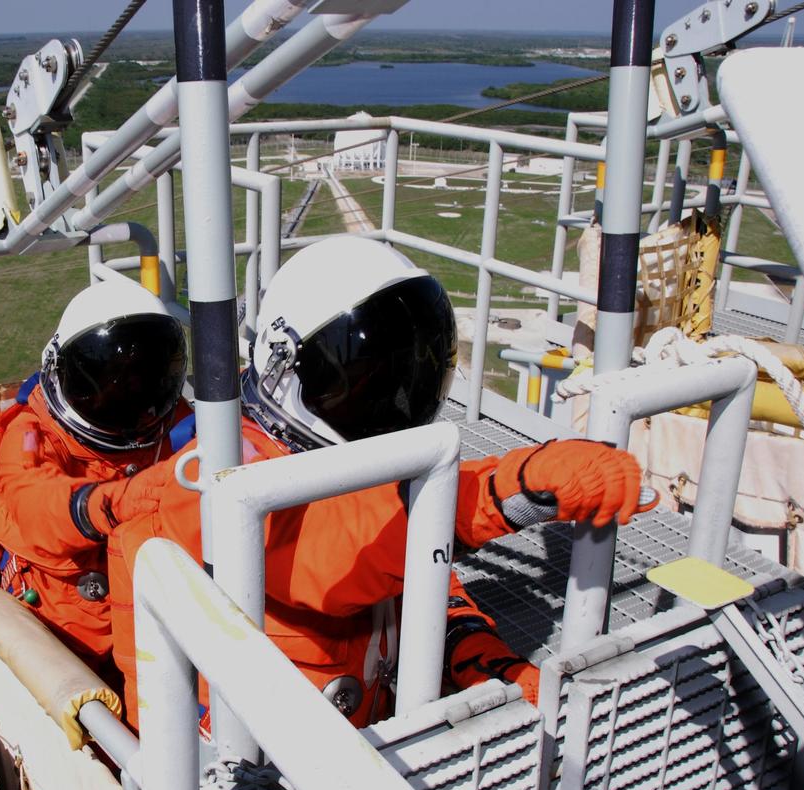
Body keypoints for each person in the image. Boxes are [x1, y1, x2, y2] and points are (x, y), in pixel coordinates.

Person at [106, 236, 647, 726]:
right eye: (367, 381)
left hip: (359, 719)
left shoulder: (347, 463)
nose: (396, 402)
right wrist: (505, 490)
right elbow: (331, 552)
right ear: (287, 369)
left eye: (405, 377)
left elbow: (411, 566)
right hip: (254, 771)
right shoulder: (219, 476)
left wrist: (466, 644)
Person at [0, 271, 190, 671]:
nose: (131, 392)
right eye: (114, 380)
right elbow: (34, 502)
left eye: (145, 377)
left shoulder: (170, 423)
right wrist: (111, 504)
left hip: (155, 621)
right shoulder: (31, 434)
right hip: (69, 642)